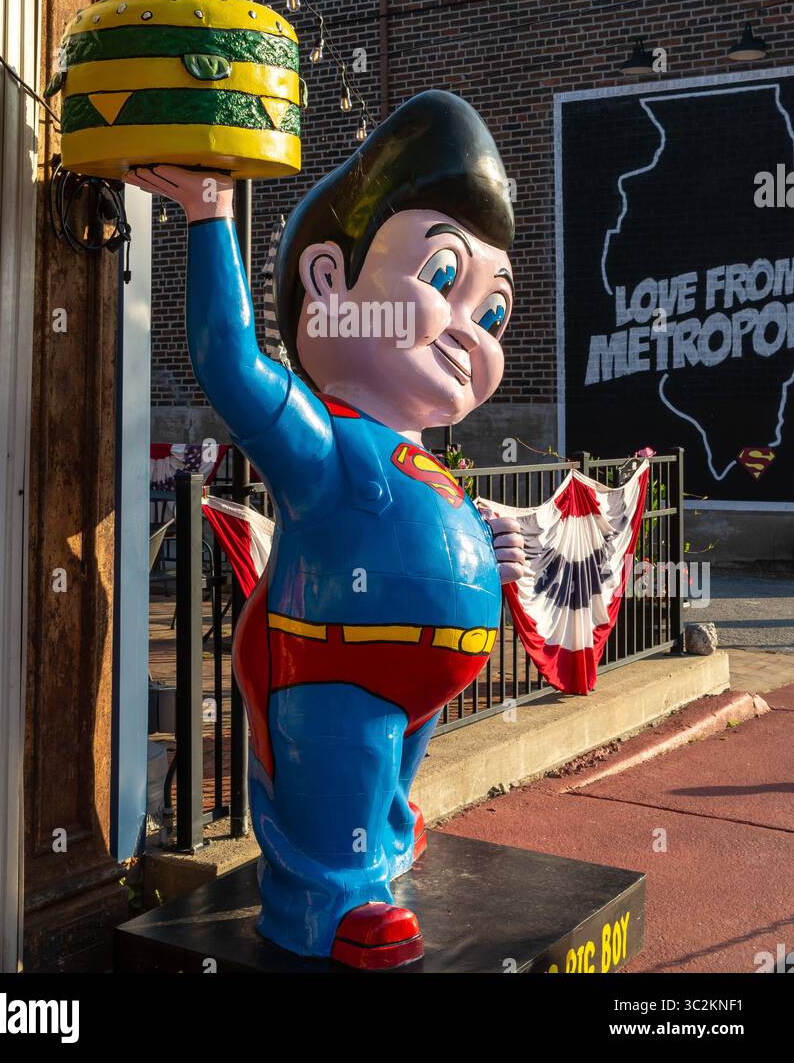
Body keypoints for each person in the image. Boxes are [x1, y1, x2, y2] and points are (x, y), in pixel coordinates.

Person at [126, 89, 525, 969]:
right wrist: (208, 214)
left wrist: (488, 556)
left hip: (413, 683)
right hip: (335, 664)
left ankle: (379, 842)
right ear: (328, 282)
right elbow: (229, 361)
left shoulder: (417, 456)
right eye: (445, 280)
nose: (471, 331)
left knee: (380, 785)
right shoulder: (329, 439)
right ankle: (325, 898)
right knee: (335, 773)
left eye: (493, 313)